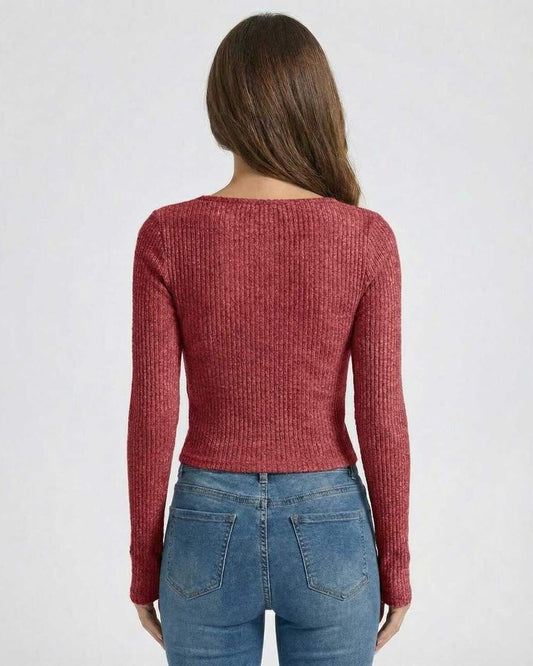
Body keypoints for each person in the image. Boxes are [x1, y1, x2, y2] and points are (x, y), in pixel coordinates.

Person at [127, 12, 412, 666]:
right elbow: (381, 415)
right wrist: (395, 566)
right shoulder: (365, 238)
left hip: (205, 524)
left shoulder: (168, 235)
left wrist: (144, 566)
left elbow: (152, 413)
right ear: (317, 106)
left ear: (221, 107)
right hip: (330, 523)